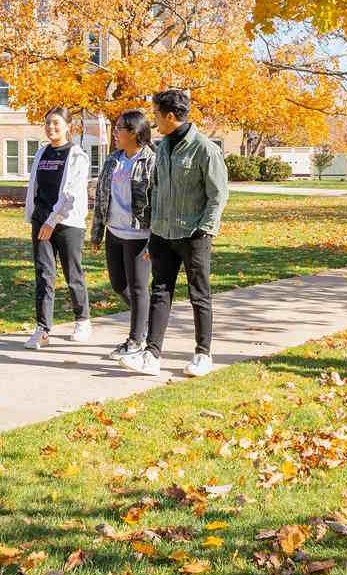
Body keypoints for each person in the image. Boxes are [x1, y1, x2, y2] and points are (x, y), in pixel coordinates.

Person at [118, 89, 229, 379]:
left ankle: (203, 354)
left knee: (199, 295)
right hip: (163, 235)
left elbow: (218, 195)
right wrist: (153, 231)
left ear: (170, 116)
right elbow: (155, 190)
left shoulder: (205, 149)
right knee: (160, 292)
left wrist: (205, 230)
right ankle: (151, 354)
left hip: (194, 235)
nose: (153, 121)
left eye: (156, 114)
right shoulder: (163, 147)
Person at [90, 109, 157, 361]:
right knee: (119, 285)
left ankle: (136, 340)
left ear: (135, 132)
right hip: (114, 232)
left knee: (139, 288)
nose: (115, 132)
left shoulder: (151, 161)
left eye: (120, 128)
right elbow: (101, 198)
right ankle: (147, 321)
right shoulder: (113, 160)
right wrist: (97, 233)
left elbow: (158, 203)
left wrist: (155, 239)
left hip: (139, 235)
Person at [23, 108, 92, 348]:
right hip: (41, 222)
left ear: (68, 126)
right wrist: (36, 218)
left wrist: (53, 220)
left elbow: (70, 194)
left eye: (56, 123)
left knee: (73, 274)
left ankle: (82, 320)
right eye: (48, 123)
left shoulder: (77, 156)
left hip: (66, 223)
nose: (51, 127)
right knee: (44, 275)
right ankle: (42, 328)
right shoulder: (41, 152)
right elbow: (34, 187)